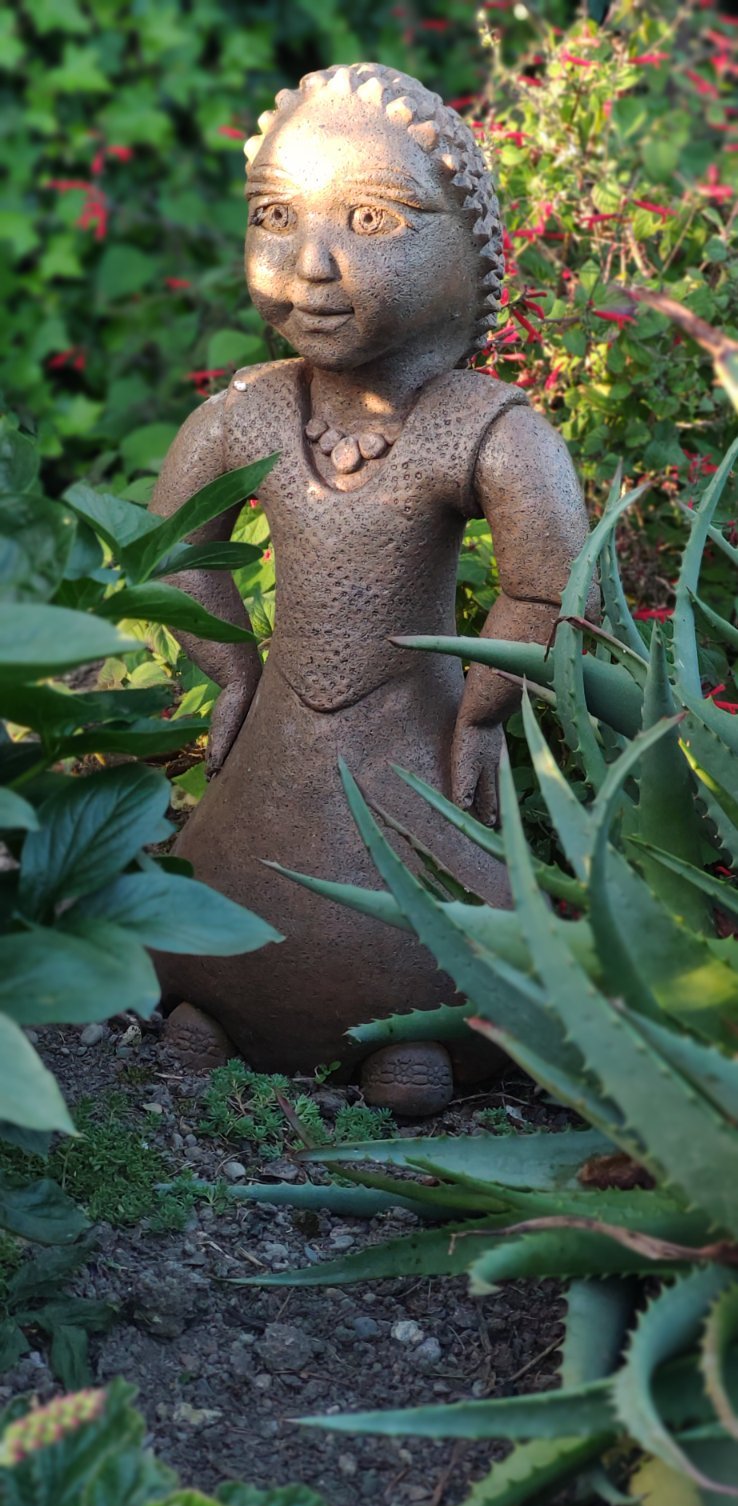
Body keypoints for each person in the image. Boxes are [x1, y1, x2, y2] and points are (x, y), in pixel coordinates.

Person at [151, 63, 589, 1114]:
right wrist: (229, 665)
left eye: (370, 217)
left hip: (422, 741)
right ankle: (218, 998)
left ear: (465, 247)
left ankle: (410, 1035)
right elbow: (178, 544)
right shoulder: (249, 414)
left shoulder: (483, 426)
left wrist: (484, 710)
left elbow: (550, 583)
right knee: (225, 894)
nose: (312, 266)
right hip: (273, 741)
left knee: (424, 919)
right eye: (275, 216)